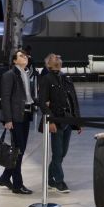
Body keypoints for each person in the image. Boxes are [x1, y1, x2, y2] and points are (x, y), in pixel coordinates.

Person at [39, 54, 82, 193]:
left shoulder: (66, 78)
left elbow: (73, 101)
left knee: (62, 152)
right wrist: (50, 120)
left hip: (68, 120)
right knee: (57, 153)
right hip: (55, 121)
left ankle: (50, 179)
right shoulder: (46, 79)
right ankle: (59, 181)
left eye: (58, 59)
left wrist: (78, 121)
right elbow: (42, 102)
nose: (57, 60)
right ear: (48, 65)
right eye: (53, 59)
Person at [0, 49, 37, 195]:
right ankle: (17, 185)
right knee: (18, 151)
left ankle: (5, 177)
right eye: (21, 56)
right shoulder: (9, 75)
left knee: (19, 150)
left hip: (25, 115)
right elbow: (5, 98)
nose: (25, 57)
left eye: (26, 55)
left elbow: (29, 96)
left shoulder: (26, 74)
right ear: (14, 60)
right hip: (15, 117)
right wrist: (7, 119)